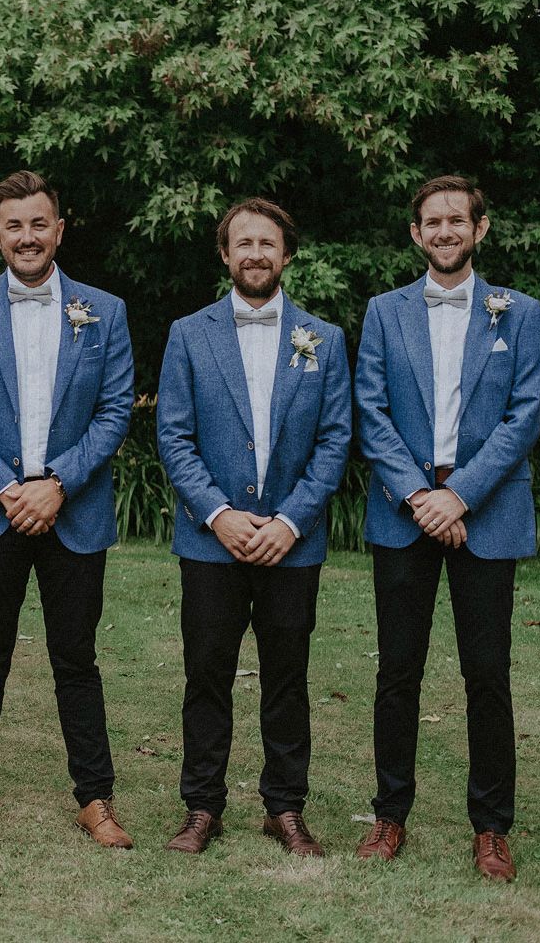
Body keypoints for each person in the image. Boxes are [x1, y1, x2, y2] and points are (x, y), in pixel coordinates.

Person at [0, 170, 134, 847]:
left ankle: (96, 801)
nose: (27, 237)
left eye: (39, 224)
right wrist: (8, 489)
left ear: (60, 230)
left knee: (77, 658)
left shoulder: (104, 310)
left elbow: (114, 409)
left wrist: (59, 483)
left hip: (73, 511)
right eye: (14, 225)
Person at [354, 175, 540, 881]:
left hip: (486, 514)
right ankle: (389, 813)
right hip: (404, 514)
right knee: (397, 672)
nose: (444, 232)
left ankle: (492, 826)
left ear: (480, 229)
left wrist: (457, 496)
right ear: (415, 233)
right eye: (431, 222)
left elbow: (524, 415)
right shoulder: (383, 311)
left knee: (487, 673)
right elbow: (370, 413)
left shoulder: (518, 314)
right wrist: (418, 496)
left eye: (456, 221)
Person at [156, 197, 351, 855]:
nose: (255, 254)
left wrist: (291, 522)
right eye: (243, 242)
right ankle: (202, 807)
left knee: (287, 676)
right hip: (212, 542)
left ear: (287, 254)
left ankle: (285, 807)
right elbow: (175, 438)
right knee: (206, 673)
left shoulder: (323, 339)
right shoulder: (190, 333)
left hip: (292, 546)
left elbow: (335, 444)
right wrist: (220, 514)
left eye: (268, 243)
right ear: (225, 253)